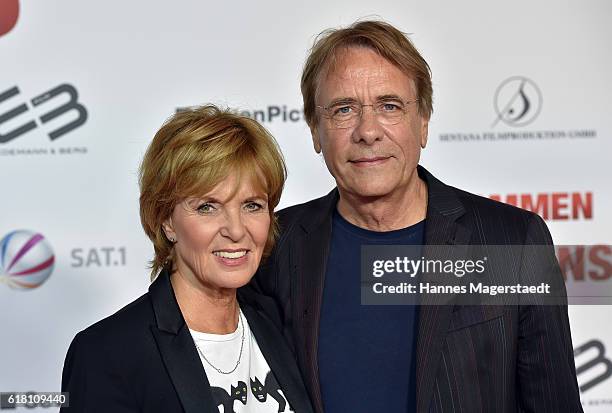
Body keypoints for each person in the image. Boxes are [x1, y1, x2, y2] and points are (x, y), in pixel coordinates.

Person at [252, 20, 583, 412]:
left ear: (423, 122)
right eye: (344, 109)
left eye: (389, 106)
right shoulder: (275, 242)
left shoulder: (511, 240)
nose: (368, 131)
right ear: (314, 130)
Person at [60, 105, 313, 413]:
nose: (235, 230)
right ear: (167, 221)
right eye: (208, 207)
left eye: (252, 205)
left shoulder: (278, 322)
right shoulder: (108, 353)